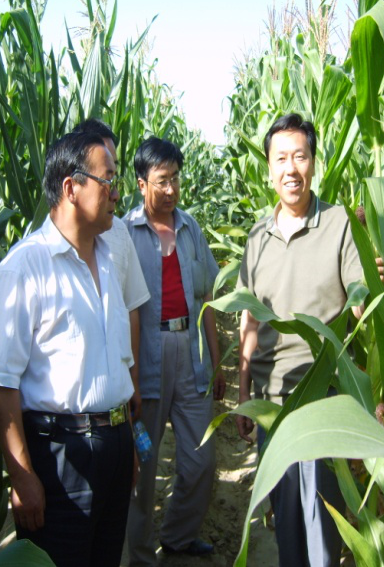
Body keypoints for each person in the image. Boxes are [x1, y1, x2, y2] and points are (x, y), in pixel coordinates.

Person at [0, 131, 148, 567]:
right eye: (108, 179)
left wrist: (125, 442)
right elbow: (1, 385)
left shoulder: (109, 260)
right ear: (72, 188)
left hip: (112, 445)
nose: (116, 193)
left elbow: (117, 363)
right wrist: (22, 476)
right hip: (59, 458)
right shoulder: (24, 269)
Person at [235, 113, 383, 567]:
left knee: (324, 525)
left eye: (300, 156)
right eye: (281, 158)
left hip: (325, 399)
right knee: (288, 529)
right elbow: (249, 318)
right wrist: (243, 391)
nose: (290, 168)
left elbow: (360, 303)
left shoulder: (339, 225)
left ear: (314, 163)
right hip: (272, 405)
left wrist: (376, 284)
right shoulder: (258, 237)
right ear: (268, 168)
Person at [123, 136, 225, 565]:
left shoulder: (190, 229)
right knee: (142, 468)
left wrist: (218, 362)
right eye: (162, 181)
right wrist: (125, 379)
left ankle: (179, 535)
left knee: (201, 459)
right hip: (144, 354)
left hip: (190, 352)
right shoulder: (123, 234)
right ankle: (141, 554)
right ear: (142, 183)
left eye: (176, 180)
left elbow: (206, 298)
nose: (171, 190)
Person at [72, 118, 150, 420]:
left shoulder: (118, 233)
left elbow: (131, 309)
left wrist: (133, 379)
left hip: (117, 396)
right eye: (105, 175)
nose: (114, 190)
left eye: (114, 170)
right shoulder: (36, 258)